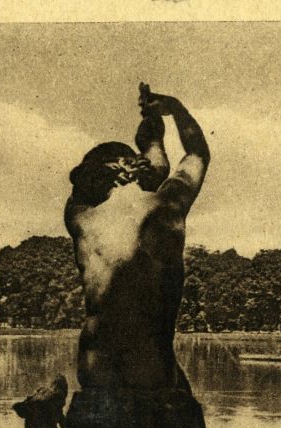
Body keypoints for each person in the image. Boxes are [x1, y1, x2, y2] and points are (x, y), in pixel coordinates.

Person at [64, 84, 210, 391]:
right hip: (151, 372)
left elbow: (152, 170)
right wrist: (171, 111)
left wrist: (148, 148)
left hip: (94, 372)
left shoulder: (81, 219)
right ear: (128, 167)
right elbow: (197, 153)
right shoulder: (166, 206)